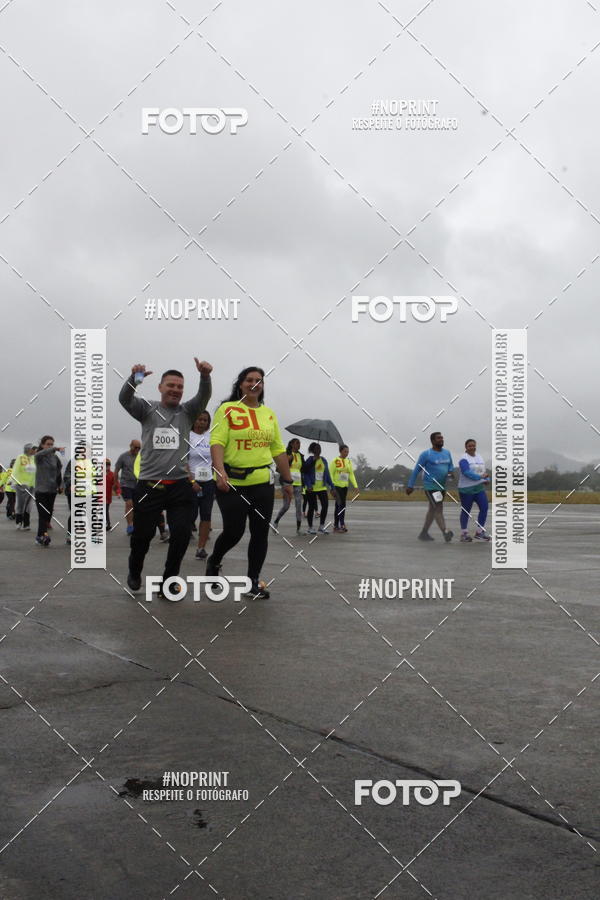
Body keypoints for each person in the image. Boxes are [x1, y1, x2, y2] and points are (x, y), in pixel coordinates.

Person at [119, 359, 212, 595]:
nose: (176, 390)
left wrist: (204, 376)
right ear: (160, 387)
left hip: (180, 486)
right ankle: (134, 569)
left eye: (180, 387)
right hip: (150, 485)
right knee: (143, 536)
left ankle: (169, 579)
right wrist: (135, 378)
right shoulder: (147, 409)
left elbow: (204, 396)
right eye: (171, 385)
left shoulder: (188, 412)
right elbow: (125, 400)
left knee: (181, 535)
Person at [208, 366, 293, 599]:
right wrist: (220, 471)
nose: (254, 384)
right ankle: (214, 561)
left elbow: (277, 449)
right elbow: (216, 441)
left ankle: (253, 582)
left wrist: (287, 480)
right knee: (234, 532)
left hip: (262, 483)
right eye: (249, 380)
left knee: (259, 534)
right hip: (232, 482)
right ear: (240, 383)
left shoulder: (269, 414)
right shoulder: (227, 409)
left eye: (259, 380)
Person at [406, 432, 454, 542]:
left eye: (442, 438)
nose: (441, 439)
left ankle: (424, 533)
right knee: (438, 508)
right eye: (438, 438)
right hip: (431, 486)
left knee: (432, 510)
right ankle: (445, 531)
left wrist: (451, 471)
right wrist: (410, 485)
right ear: (432, 441)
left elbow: (450, 464)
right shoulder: (426, 454)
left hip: (441, 486)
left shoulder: (447, 453)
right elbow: (416, 470)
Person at [188, 411, 215, 560]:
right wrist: (192, 481)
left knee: (206, 515)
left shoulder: (210, 436)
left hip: (208, 482)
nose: (202, 422)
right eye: (199, 419)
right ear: (194, 421)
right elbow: (182, 462)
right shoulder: (188, 436)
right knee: (190, 515)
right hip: (191, 482)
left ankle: (201, 548)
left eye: (205, 420)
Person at [458, 438, 491, 542]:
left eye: (473, 445)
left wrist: (486, 479)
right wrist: (481, 477)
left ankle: (479, 532)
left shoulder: (479, 457)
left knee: (484, 507)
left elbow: (483, 471)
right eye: (470, 446)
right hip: (466, 489)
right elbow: (466, 472)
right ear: (466, 447)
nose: (472, 447)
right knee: (466, 511)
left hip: (479, 488)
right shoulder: (464, 458)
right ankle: (464, 533)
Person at [34, 436, 64, 546]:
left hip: (52, 491)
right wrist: (54, 449)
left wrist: (60, 485)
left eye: (52, 444)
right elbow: (38, 454)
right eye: (48, 444)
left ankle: (39, 536)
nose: (50, 446)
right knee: (42, 514)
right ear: (42, 445)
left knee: (48, 514)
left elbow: (59, 470)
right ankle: (43, 536)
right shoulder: (39, 457)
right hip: (41, 490)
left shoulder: (55, 458)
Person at [303, 442, 335, 535]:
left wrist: (332, 487)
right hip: (311, 488)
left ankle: (321, 526)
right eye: (317, 448)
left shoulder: (324, 460)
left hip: (322, 488)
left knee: (325, 505)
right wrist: (308, 485)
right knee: (312, 507)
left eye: (320, 448)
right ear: (313, 450)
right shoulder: (309, 460)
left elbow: (327, 474)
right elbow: (306, 473)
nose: (319, 450)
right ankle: (310, 527)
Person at [273, 438, 304, 533]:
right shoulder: (286, 454)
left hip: (298, 483)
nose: (299, 445)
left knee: (299, 505)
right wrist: (287, 462)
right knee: (286, 506)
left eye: (300, 443)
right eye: (297, 443)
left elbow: (304, 468)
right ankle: (276, 521)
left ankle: (298, 529)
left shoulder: (300, 456)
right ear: (291, 444)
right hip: (287, 483)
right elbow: (278, 469)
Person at [329, 444, 358, 533]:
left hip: (344, 486)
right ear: (340, 451)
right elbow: (330, 473)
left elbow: (351, 474)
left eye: (348, 452)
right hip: (336, 487)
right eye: (345, 451)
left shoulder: (348, 461)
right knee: (341, 505)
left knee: (340, 506)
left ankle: (336, 526)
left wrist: (355, 485)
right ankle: (341, 524)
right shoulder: (335, 461)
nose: (347, 453)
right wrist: (332, 486)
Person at [114, 439, 141, 535]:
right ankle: (130, 525)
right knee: (129, 503)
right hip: (125, 484)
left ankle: (135, 524)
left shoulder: (140, 457)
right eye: (136, 447)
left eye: (139, 448)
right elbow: (116, 470)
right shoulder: (123, 456)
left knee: (136, 506)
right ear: (131, 446)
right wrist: (115, 483)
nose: (137, 449)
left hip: (137, 484)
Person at [13, 444, 36, 530]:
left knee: (29, 505)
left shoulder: (34, 459)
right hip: (21, 484)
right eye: (33, 449)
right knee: (21, 503)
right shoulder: (21, 457)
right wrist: (14, 481)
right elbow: (16, 469)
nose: (34, 450)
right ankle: (18, 522)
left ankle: (26, 524)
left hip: (32, 485)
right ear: (28, 449)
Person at [105, 458, 115, 531]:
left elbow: (115, 485)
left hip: (107, 497)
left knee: (105, 510)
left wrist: (118, 492)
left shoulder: (112, 474)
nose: (107, 466)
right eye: (105, 464)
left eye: (108, 464)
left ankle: (108, 524)